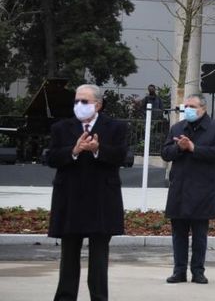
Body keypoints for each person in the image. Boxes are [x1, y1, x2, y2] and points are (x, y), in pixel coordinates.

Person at [47, 84, 128, 301]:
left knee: (99, 259)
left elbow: (122, 156)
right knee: (69, 257)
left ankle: (99, 297)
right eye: (76, 101)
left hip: (101, 199)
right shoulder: (61, 128)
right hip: (71, 199)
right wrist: (73, 151)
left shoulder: (115, 127)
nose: (79, 105)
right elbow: (51, 157)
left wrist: (97, 150)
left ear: (98, 105)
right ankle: (65, 297)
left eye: (84, 101)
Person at [161, 94, 215, 284]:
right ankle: (179, 271)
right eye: (186, 106)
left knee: (200, 234)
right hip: (179, 188)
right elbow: (165, 153)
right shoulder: (177, 127)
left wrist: (193, 148)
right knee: (178, 233)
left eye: (192, 106)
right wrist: (180, 148)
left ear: (203, 109)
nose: (187, 109)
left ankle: (198, 271)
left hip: (202, 189)